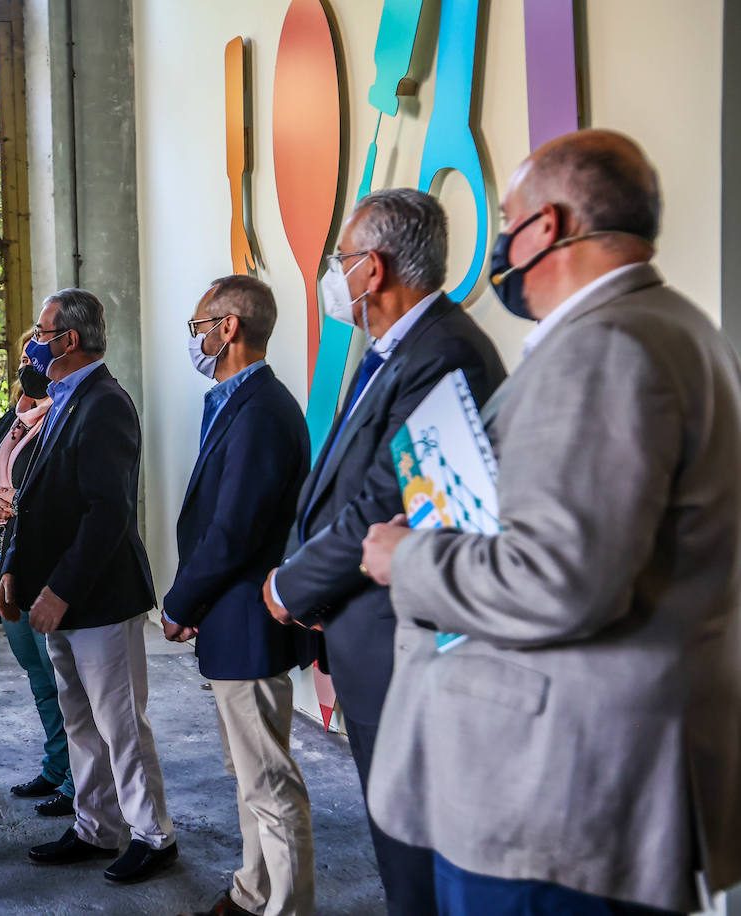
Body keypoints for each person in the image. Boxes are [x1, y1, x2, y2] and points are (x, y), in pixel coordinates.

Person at [359, 130, 741, 916]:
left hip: (552, 799)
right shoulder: (668, 326)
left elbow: (558, 580)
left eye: (507, 218)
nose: (499, 241)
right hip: (582, 779)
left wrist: (409, 558)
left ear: (547, 228)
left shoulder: (604, 350)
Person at [263, 188, 506, 916]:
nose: (335, 276)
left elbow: (386, 501)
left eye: (341, 260)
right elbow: (339, 481)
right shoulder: (393, 350)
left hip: (408, 641)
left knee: (419, 858)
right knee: (396, 841)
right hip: (368, 628)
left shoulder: (447, 352)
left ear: (372, 267)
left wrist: (290, 585)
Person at [0, 288, 177, 884]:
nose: (33, 341)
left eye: (41, 331)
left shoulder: (104, 403)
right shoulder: (62, 398)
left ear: (67, 340)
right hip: (57, 597)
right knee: (79, 719)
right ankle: (98, 824)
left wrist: (61, 591)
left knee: (120, 722)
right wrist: (16, 575)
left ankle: (154, 835)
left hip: (97, 599)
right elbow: (35, 502)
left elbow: (107, 514)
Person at [164, 276, 314, 916]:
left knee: (270, 782)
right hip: (232, 619)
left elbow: (234, 530)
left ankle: (285, 906)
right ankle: (254, 891)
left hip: (249, 620)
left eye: (199, 325)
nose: (194, 338)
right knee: (249, 776)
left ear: (229, 327)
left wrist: (179, 602)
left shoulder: (260, 410)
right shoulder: (239, 402)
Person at [0, 327, 75, 816]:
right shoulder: (13, 420)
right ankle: (56, 766)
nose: (29, 360)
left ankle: (79, 780)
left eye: (40, 345)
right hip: (6, 564)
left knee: (62, 678)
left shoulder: (65, 414)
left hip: (43, 565)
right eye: (25, 349)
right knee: (36, 673)